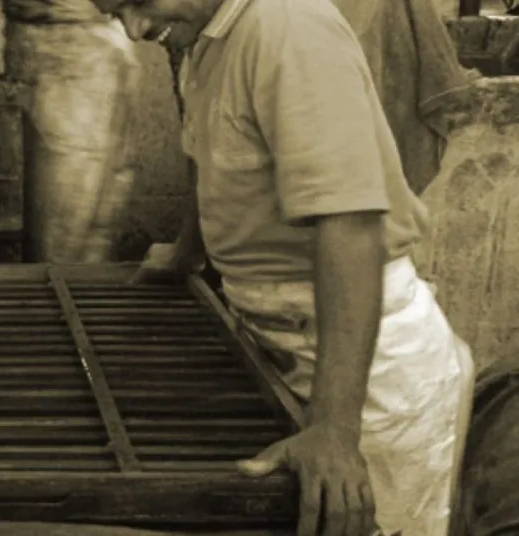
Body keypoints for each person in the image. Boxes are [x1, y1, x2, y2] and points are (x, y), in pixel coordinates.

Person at [121, 0, 475, 534]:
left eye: (136, 1)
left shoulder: (287, 29)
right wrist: (184, 251)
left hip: (362, 370)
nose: (133, 27)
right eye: (113, 13)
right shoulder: (210, 41)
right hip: (285, 346)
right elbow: (207, 156)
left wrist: (335, 429)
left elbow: (351, 223)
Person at [2, 0, 142, 263]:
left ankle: (71, 296)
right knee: (88, 232)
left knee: (64, 240)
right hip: (87, 41)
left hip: (69, 47)